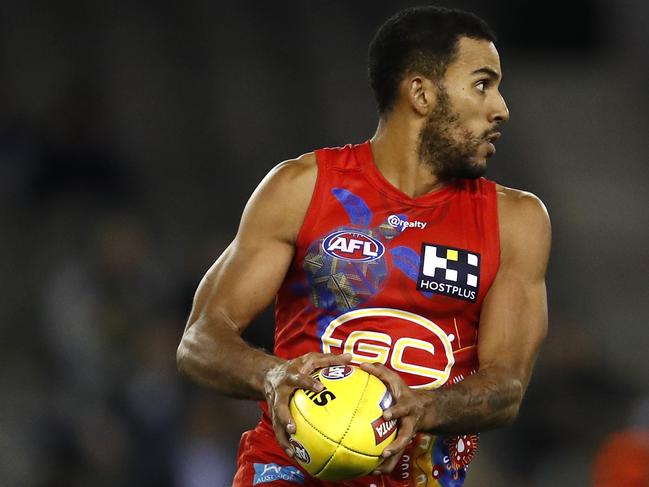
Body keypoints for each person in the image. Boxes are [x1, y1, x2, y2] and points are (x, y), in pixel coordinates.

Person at [176, 6, 551, 486]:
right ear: (421, 93)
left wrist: (425, 405)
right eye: (483, 84)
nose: (501, 108)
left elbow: (508, 388)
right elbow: (201, 340)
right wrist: (271, 376)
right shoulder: (302, 189)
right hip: (285, 472)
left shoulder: (516, 222)